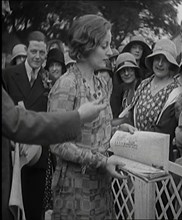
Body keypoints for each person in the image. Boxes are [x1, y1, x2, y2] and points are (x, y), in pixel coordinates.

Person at [47, 14, 136, 219]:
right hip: (75, 189)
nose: (110, 51)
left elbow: (91, 132)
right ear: (87, 46)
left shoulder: (102, 83)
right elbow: (57, 143)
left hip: (101, 186)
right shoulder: (67, 85)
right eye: (104, 45)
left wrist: (114, 129)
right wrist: (102, 161)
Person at [2, 86, 108, 220]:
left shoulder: (100, 85)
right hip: (73, 189)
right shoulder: (66, 84)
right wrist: (78, 116)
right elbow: (16, 122)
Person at [2, 30, 54, 220]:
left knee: (33, 212)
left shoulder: (50, 82)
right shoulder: (8, 75)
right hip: (12, 156)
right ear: (27, 50)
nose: (37, 57)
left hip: (37, 159)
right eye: (34, 52)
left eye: (42, 53)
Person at [121, 38, 182, 161]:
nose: (159, 64)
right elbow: (130, 114)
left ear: (171, 64)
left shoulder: (176, 91)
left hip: (157, 156)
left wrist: (136, 139)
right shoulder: (144, 84)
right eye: (157, 59)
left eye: (165, 60)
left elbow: (165, 129)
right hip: (134, 151)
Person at [112, 52, 141, 118]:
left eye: (130, 69)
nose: (126, 73)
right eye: (122, 71)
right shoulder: (124, 92)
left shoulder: (143, 89)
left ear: (135, 71)